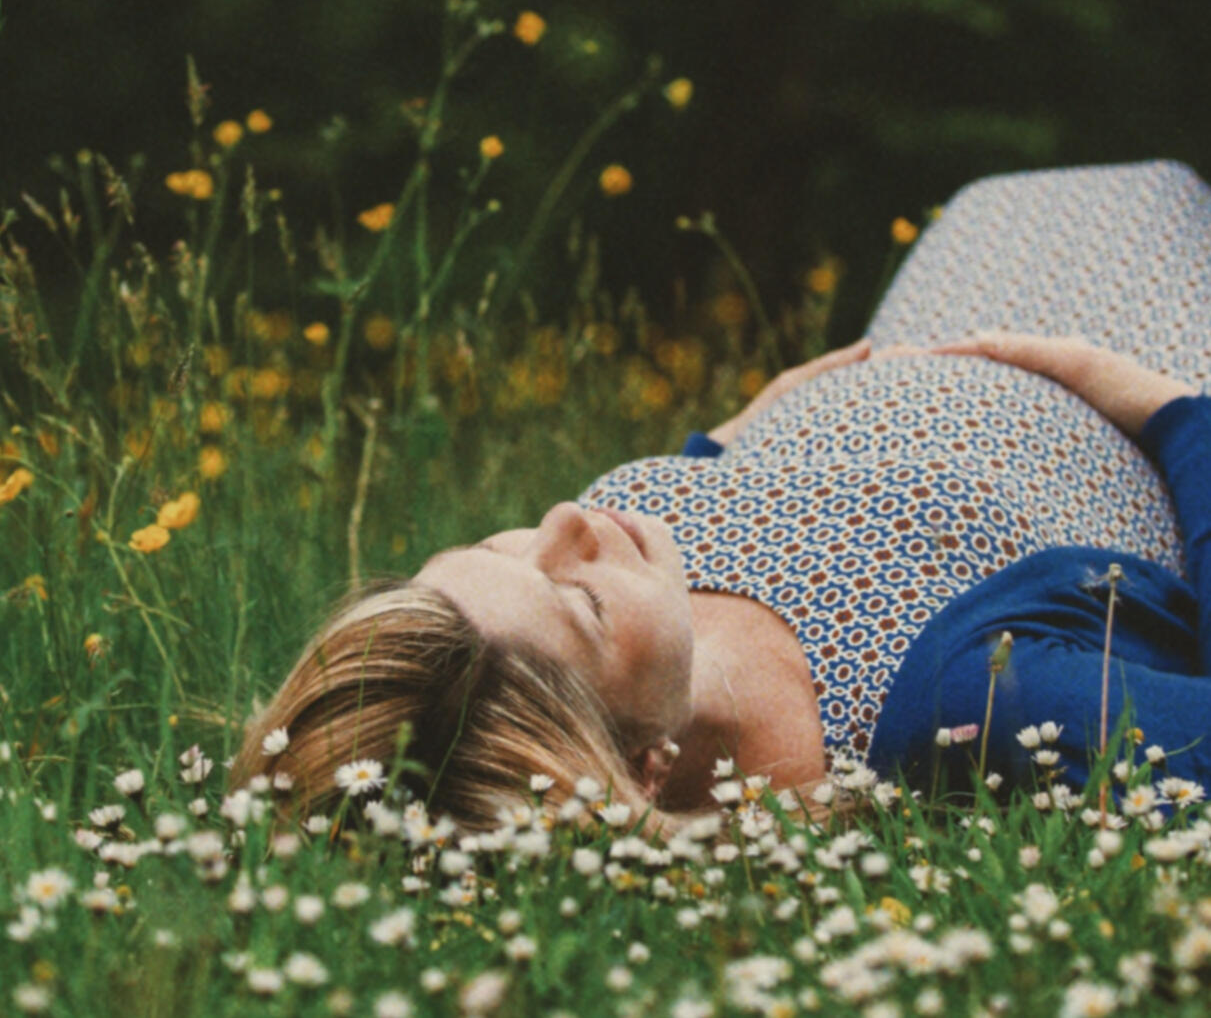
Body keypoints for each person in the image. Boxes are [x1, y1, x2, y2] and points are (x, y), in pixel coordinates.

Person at [229, 159, 1211, 831]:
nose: (567, 521)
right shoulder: (968, 707)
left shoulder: (623, 591)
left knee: (1024, 188)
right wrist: (1165, 410)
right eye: (579, 600)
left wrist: (726, 447)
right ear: (643, 768)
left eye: (491, 551)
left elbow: (649, 536)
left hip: (970, 279)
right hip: (1142, 355)